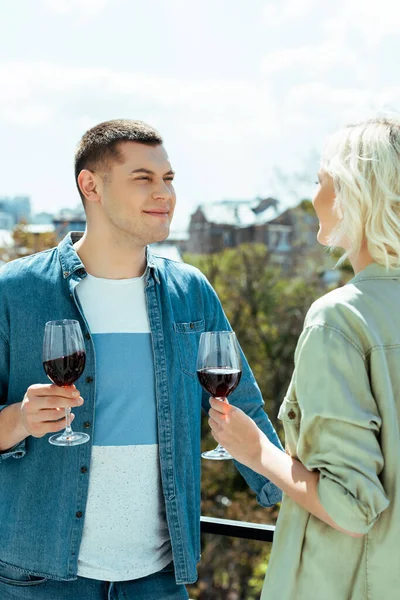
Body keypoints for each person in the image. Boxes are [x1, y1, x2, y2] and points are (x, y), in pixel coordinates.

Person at [0, 119, 282, 600]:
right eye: (143, 179)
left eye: (168, 179)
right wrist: (21, 420)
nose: (165, 194)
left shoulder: (190, 291)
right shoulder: (16, 292)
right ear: (91, 185)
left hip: (159, 579)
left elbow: (246, 408)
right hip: (39, 578)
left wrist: (295, 501)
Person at [207, 116, 400, 599]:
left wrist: (255, 452)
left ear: (352, 194)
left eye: (320, 182)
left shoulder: (340, 318)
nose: (313, 197)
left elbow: (352, 508)